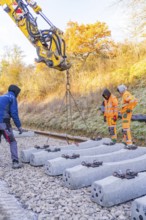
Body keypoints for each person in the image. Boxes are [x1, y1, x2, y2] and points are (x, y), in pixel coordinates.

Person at [0, 85, 23, 168]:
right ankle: (15, 162)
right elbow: (14, 113)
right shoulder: (12, 97)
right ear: (16, 91)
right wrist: (19, 126)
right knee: (12, 141)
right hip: (4, 124)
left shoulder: (2, 97)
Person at [117, 84, 138, 149]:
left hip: (126, 113)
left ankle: (129, 143)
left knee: (126, 128)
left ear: (121, 90)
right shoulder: (125, 95)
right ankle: (125, 141)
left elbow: (134, 100)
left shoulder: (126, 94)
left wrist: (129, 108)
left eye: (119, 91)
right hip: (125, 113)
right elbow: (126, 104)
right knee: (124, 127)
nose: (119, 93)